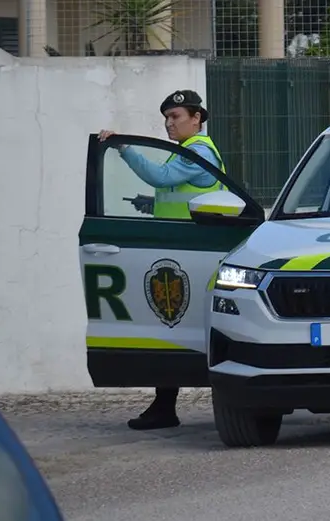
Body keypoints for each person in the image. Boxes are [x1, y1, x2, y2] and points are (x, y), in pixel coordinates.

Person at [98, 89, 226, 431]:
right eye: (167, 118)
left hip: (195, 250)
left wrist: (123, 149)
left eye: (176, 117)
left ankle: (172, 406)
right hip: (182, 247)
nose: (169, 124)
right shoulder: (186, 151)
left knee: (177, 324)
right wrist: (149, 203)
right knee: (173, 325)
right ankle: (164, 405)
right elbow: (177, 193)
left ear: (196, 118)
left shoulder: (198, 151)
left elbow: (161, 178)